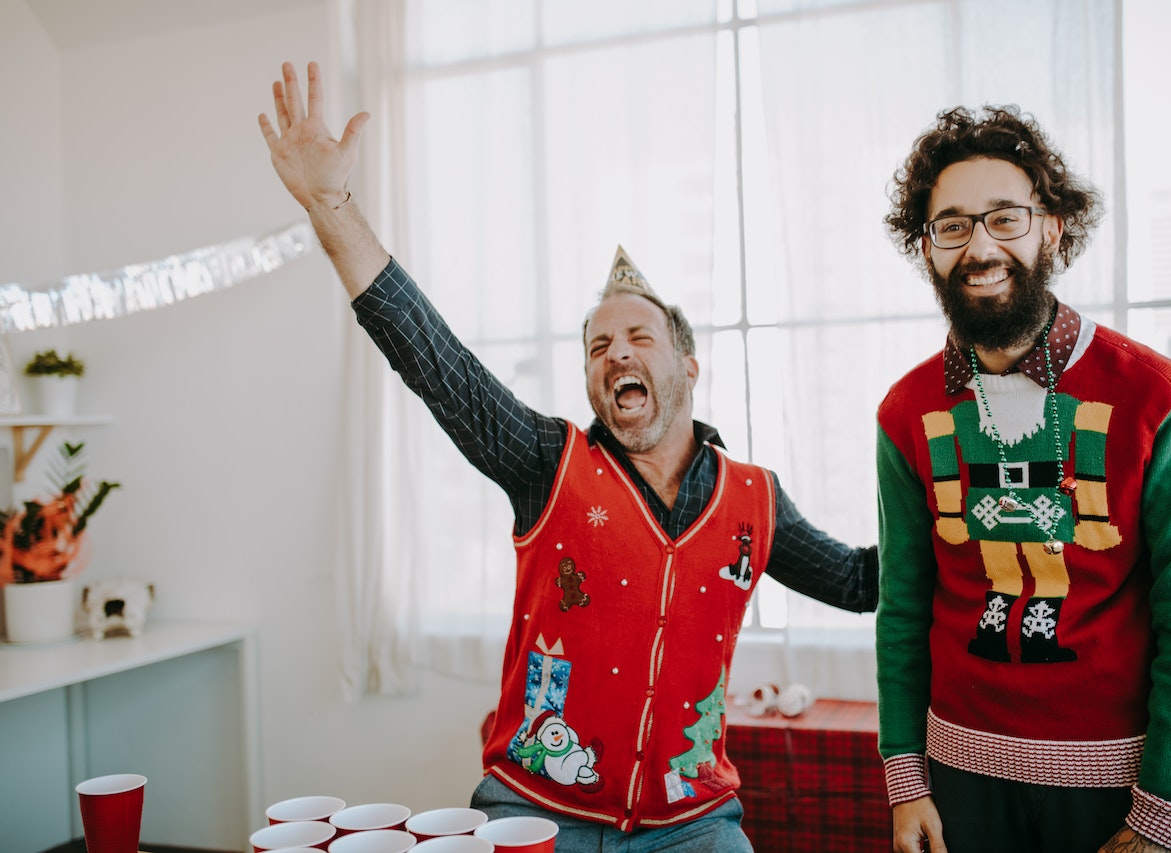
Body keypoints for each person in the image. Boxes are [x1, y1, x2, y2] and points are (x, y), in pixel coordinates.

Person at [258, 61, 878, 852]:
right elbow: (431, 358)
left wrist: (976, 516)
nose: (615, 353)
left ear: (687, 366)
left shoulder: (753, 500)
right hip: (533, 809)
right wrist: (329, 205)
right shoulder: (548, 463)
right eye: (597, 346)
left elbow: (863, 581)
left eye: (638, 338)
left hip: (692, 825)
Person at [874, 104, 1171, 853]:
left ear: (1051, 229)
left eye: (1005, 218)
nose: (979, 246)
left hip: (1119, 790)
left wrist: (1165, 806)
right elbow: (902, 606)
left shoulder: (1157, 398)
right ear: (927, 248)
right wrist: (906, 780)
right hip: (955, 784)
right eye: (951, 225)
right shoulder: (903, 410)